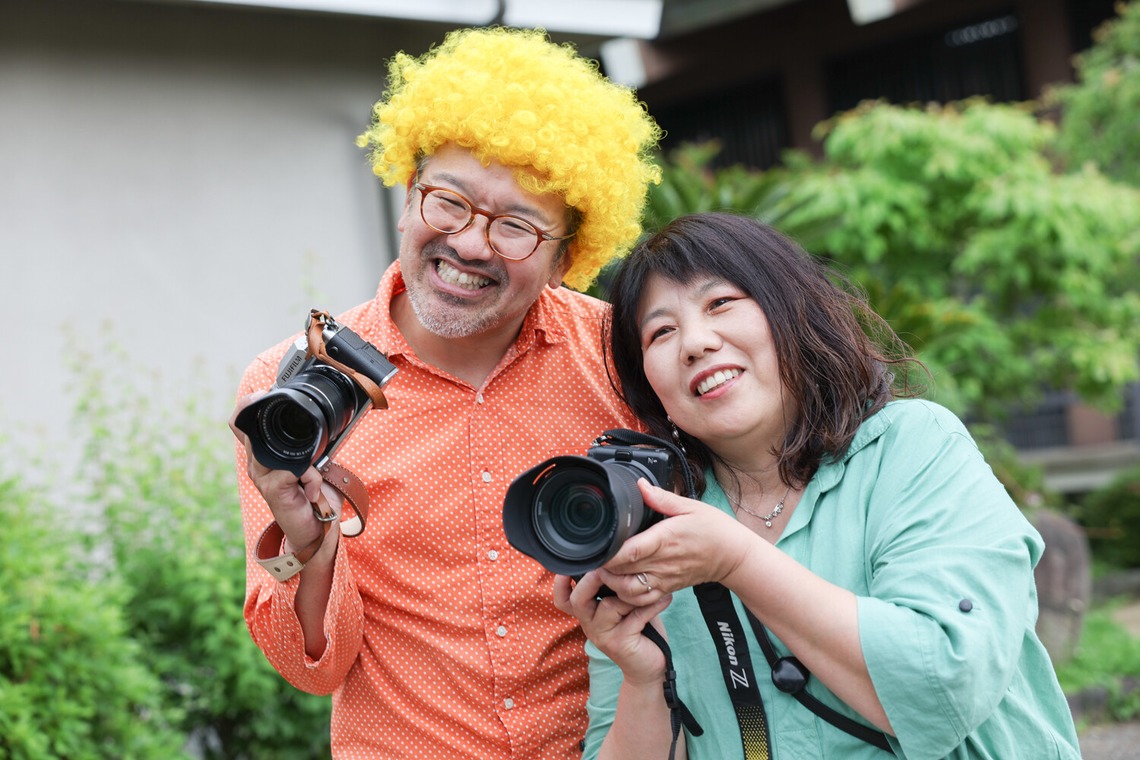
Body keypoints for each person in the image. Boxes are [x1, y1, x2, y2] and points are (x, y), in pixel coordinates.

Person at [228, 27, 661, 758]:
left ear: (567, 257)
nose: (468, 243)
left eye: (517, 226)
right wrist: (308, 545)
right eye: (448, 202)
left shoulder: (624, 357)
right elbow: (311, 668)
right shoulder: (289, 387)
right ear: (406, 196)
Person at [555, 212, 1082, 759]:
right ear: (648, 385)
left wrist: (735, 562)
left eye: (721, 304)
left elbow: (944, 680)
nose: (695, 342)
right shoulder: (652, 528)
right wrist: (645, 677)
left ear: (791, 312)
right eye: (660, 331)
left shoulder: (912, 447)